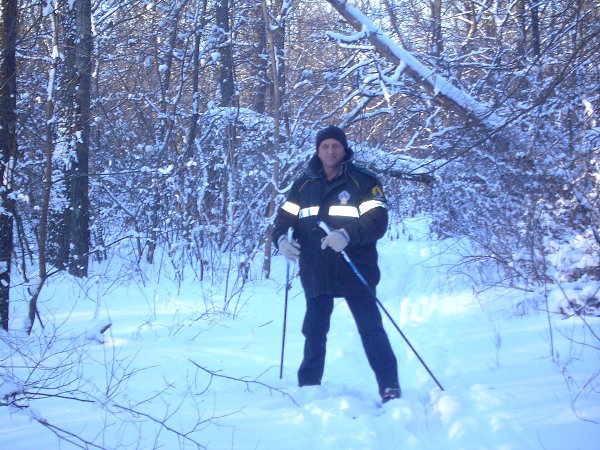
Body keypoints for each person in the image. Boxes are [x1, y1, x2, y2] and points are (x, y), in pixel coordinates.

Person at [272, 125, 401, 403]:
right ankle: (309, 386)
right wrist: (281, 239)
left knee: (370, 328)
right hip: (316, 269)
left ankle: (389, 385)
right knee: (314, 330)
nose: (330, 151)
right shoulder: (304, 184)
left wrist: (347, 235)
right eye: (325, 146)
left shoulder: (363, 181)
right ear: (318, 151)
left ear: (344, 149)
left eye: (336, 146)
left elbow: (377, 221)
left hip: (355, 267)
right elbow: (283, 219)